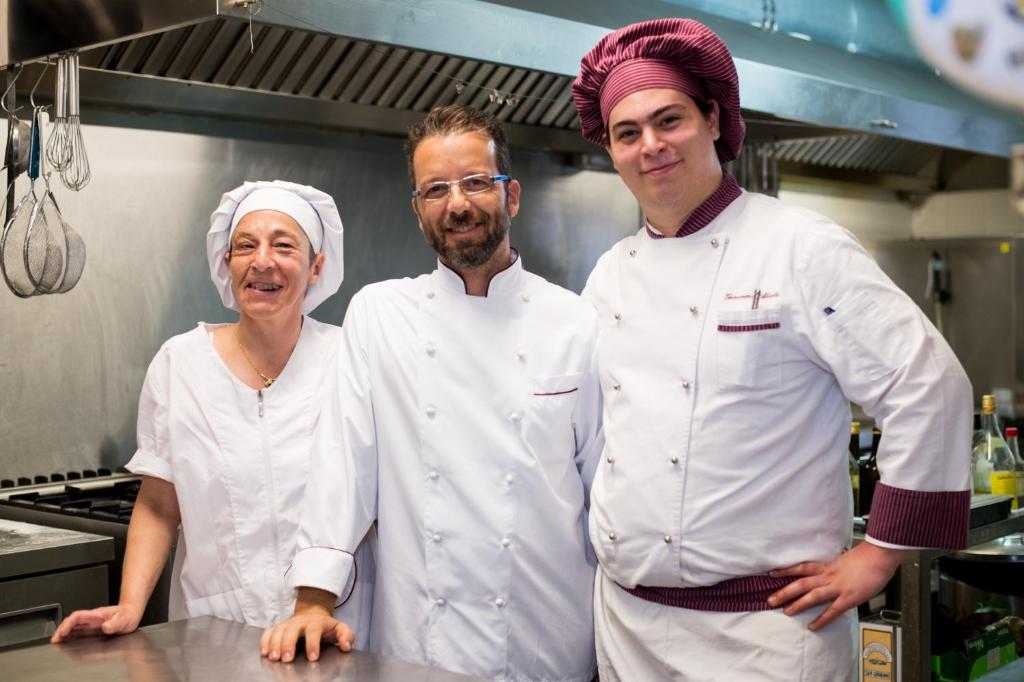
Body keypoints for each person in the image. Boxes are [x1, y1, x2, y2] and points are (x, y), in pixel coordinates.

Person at [570, 18, 972, 680]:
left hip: (767, 634)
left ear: (713, 119)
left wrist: (878, 555)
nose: (651, 145)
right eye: (627, 132)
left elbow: (928, 383)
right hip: (628, 626)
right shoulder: (611, 272)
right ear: (610, 148)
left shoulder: (800, 247)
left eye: (668, 120)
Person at [259, 105, 603, 682]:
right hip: (421, 646)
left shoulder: (577, 323)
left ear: (511, 196)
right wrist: (313, 601)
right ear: (418, 210)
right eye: (435, 190)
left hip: (548, 641)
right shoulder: (380, 313)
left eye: (475, 182)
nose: (457, 204)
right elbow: (343, 467)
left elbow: (606, 498)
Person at [51, 181, 374, 643]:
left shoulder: (350, 360)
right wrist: (130, 607)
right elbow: (161, 502)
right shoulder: (181, 363)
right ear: (227, 263)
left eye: (283, 245)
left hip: (333, 630)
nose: (262, 260)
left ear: (316, 265)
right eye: (245, 245)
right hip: (216, 632)